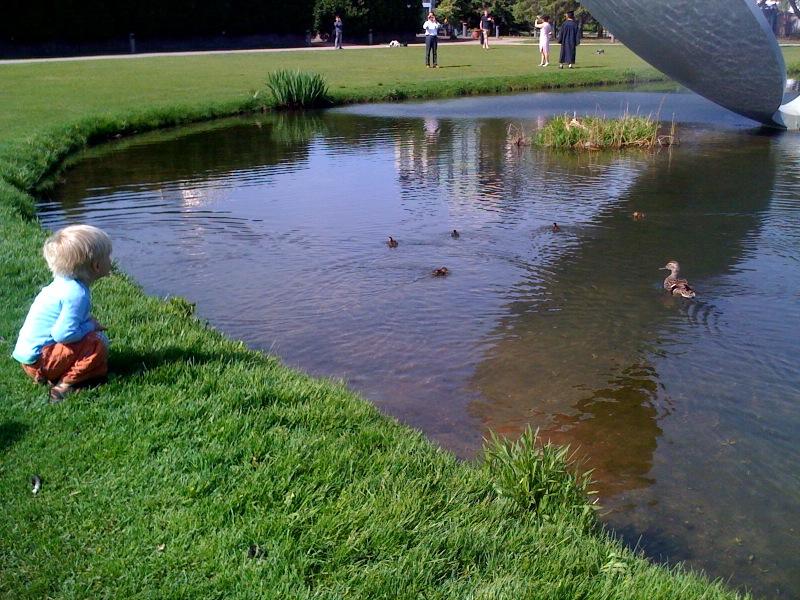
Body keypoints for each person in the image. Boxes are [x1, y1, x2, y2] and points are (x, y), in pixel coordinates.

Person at [12, 224, 113, 403]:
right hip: (41, 361)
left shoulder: (61, 284)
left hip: (28, 359)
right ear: (97, 266)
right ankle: (64, 386)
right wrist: (91, 326)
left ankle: (53, 374)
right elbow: (63, 334)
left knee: (90, 339)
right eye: (108, 256)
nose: (110, 260)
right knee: (98, 342)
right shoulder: (77, 294)